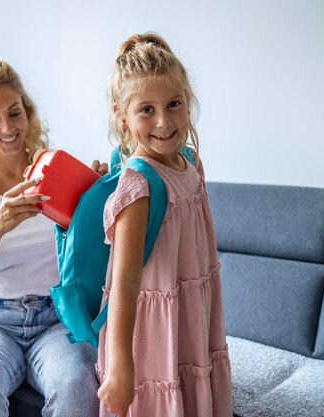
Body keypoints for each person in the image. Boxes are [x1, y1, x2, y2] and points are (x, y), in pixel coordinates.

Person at [0, 57, 103, 417]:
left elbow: (94, 246)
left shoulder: (55, 171)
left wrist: (96, 195)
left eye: (14, 113)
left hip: (57, 317)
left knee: (79, 388)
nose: (7, 127)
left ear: (27, 111)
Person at [96, 32, 234, 417]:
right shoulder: (139, 183)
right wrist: (121, 366)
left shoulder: (190, 162)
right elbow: (124, 283)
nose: (163, 121)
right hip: (152, 332)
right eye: (146, 110)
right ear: (121, 116)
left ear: (187, 103)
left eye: (173, 104)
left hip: (190, 314)